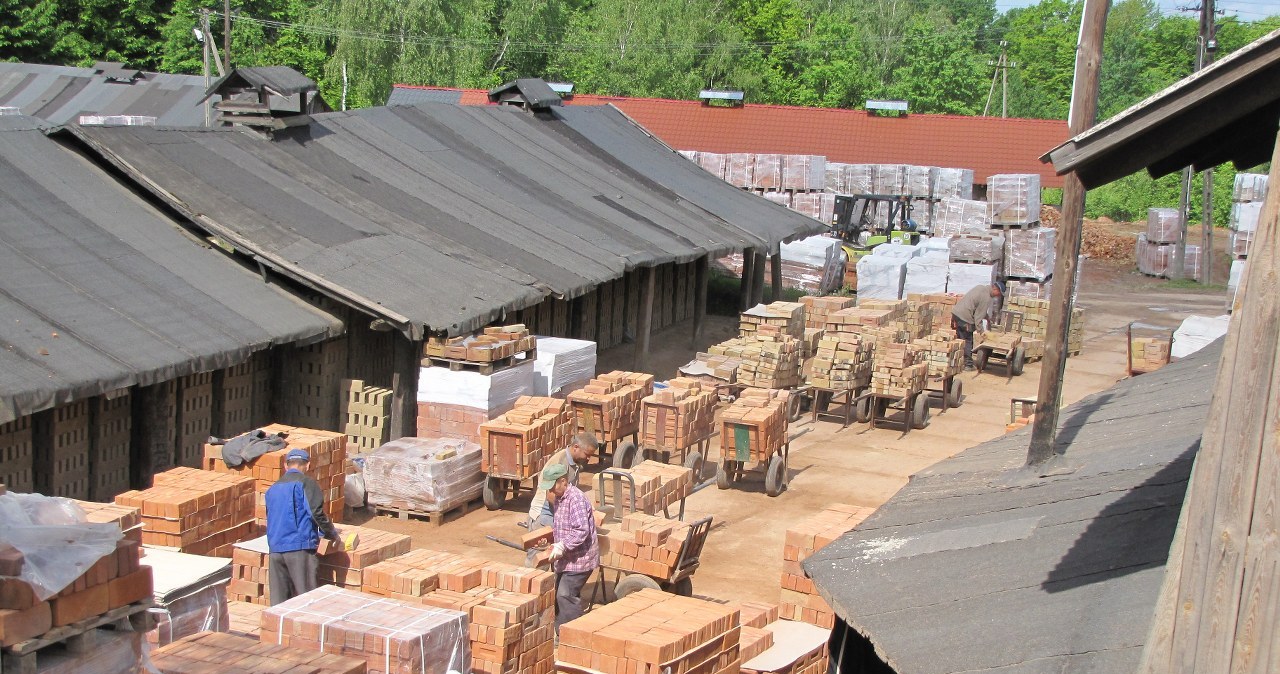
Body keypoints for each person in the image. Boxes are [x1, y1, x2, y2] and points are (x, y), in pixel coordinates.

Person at [264, 448, 340, 605]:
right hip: (298, 548)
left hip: (275, 551)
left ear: (286, 465)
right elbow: (316, 513)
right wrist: (331, 534)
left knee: (279, 604)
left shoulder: (272, 489)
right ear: (308, 465)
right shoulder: (306, 484)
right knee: (306, 601)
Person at [542, 462, 598, 631]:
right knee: (557, 591)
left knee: (565, 595)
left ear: (563, 481)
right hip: (566, 558)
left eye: (552, 487)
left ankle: (572, 633)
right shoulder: (559, 498)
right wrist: (551, 542)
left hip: (581, 559)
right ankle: (560, 628)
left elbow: (581, 530)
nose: (550, 491)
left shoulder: (576, 499)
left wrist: (563, 545)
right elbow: (562, 526)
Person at [526, 432, 598, 529]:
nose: (588, 458)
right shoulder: (561, 463)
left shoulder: (574, 462)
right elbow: (550, 495)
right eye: (587, 454)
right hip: (544, 517)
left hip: (556, 513)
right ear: (576, 447)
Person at [951, 281, 1004, 369]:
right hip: (965, 317)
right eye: (999, 293)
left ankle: (956, 361)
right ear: (995, 289)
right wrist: (982, 332)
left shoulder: (980, 287)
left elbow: (976, 306)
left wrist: (986, 317)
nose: (998, 296)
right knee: (967, 341)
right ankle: (968, 364)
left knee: (960, 340)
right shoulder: (986, 298)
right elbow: (978, 318)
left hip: (956, 313)